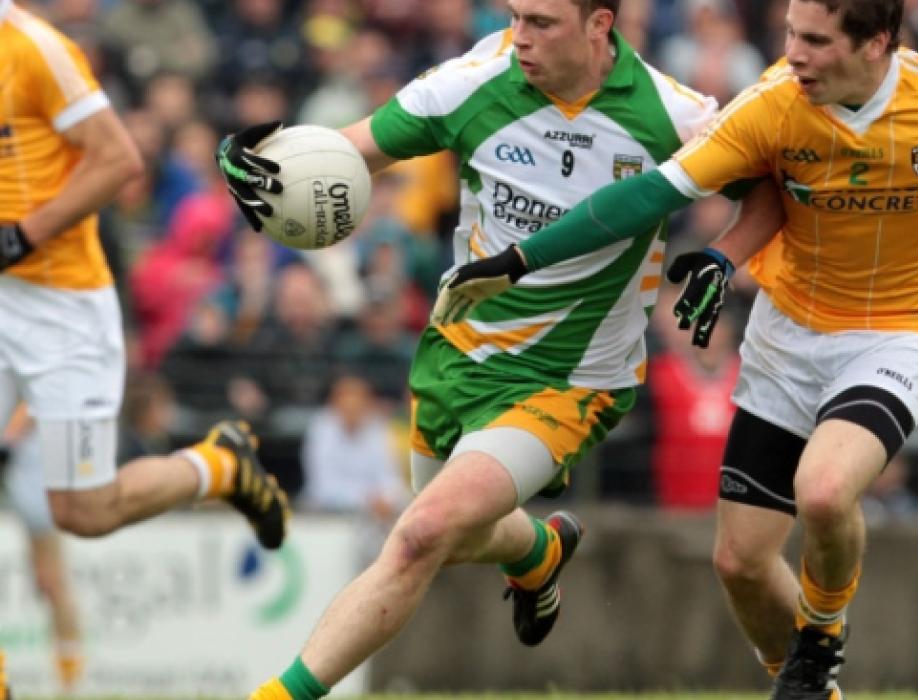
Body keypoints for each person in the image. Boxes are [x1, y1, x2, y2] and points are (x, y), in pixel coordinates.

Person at [433, 0, 918, 697]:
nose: (793, 53)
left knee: (826, 491)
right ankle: (811, 687)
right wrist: (519, 260)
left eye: (816, 40)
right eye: (791, 33)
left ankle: (823, 637)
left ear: (877, 43)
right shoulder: (773, 103)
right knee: (739, 563)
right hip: (790, 336)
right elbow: (651, 193)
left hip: (903, 334)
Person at [215, 1, 720, 698]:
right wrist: (267, 171)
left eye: (541, 22)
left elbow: (768, 178)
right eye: (515, 16)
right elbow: (350, 150)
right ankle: (537, 550)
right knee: (455, 533)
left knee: (421, 533)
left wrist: (726, 256)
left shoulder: (676, 114)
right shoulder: (472, 82)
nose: (519, 37)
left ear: (599, 24)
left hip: (570, 380)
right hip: (457, 354)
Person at [0, 6, 292, 695]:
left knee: (84, 511)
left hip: (61, 305)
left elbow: (118, 160)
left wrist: (21, 236)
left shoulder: (34, 49)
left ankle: (219, 466)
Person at [2, 407, 84, 693]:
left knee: (52, 581)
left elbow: (32, 402)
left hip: (30, 471)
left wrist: (9, 440)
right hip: (23, 472)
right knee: (48, 582)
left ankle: (70, 680)